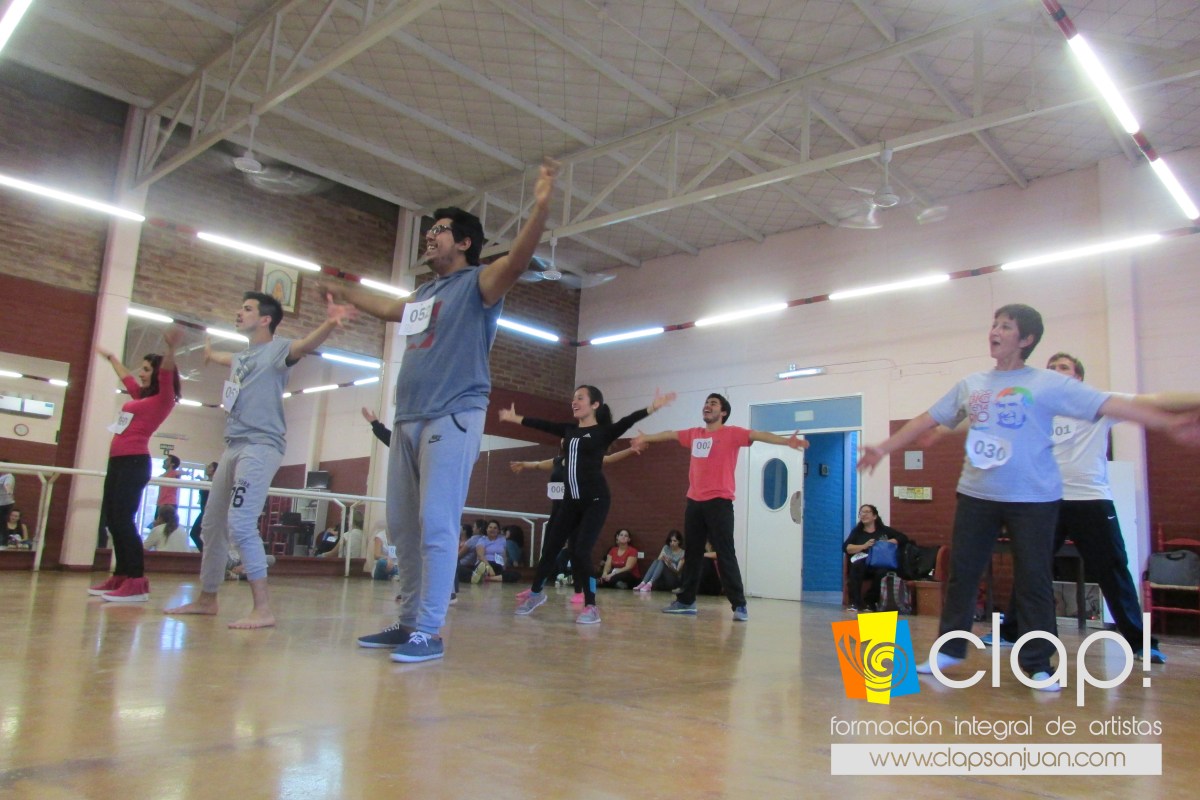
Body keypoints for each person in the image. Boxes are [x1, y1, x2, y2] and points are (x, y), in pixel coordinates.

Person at [858, 304, 1200, 690]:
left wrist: (1168, 423)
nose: (995, 331)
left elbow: (1114, 405)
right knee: (963, 573)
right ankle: (950, 649)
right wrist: (883, 448)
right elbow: (928, 418)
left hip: (1034, 500)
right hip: (977, 495)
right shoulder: (973, 384)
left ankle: (1038, 663)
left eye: (1006, 326)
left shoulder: (1048, 384)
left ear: (1026, 339)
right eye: (994, 324)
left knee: (1034, 579)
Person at [333, 159, 559, 663]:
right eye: (430, 230)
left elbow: (517, 262)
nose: (429, 236)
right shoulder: (422, 294)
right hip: (408, 419)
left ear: (464, 242)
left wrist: (541, 209)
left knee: (437, 524)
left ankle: (430, 631)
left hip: (453, 414)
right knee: (402, 528)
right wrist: (343, 291)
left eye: (439, 230)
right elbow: (387, 309)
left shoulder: (479, 283)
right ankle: (408, 622)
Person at [984, 352, 1193, 664]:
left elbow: (1149, 402)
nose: (1056, 371)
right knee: (1031, 568)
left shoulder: (1098, 403)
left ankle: (1140, 643)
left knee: (1113, 570)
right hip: (1046, 502)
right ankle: (1013, 631)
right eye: (1051, 368)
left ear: (1078, 377)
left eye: (1063, 367)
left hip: (1091, 500)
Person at [164, 290, 353, 628]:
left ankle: (262, 609)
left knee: (240, 522)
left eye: (247, 309)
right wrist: (209, 353)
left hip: (261, 446)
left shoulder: (278, 350)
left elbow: (304, 345)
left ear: (265, 319)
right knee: (211, 524)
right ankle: (208, 598)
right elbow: (227, 358)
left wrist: (329, 323)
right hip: (233, 445)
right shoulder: (242, 357)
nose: (240, 312)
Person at [633, 392, 810, 622]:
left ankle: (739, 605)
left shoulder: (733, 433)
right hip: (694, 503)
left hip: (719, 503)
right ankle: (686, 601)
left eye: (713, 403)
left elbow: (759, 434)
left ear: (723, 412)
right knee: (693, 553)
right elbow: (669, 434)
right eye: (706, 403)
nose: (707, 406)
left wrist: (786, 441)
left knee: (725, 553)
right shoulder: (695, 434)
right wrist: (646, 436)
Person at [507, 385, 675, 624]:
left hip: (596, 501)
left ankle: (591, 606)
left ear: (595, 404)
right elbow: (544, 425)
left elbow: (628, 420)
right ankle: (536, 594)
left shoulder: (603, 432)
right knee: (551, 548)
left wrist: (653, 408)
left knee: (581, 551)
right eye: (573, 398)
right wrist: (517, 419)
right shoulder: (569, 430)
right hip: (570, 502)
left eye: (580, 398)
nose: (574, 402)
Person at [88, 325, 184, 602]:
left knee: (123, 519)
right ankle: (121, 576)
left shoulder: (163, 399)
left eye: (146, 369)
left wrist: (171, 348)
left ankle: (136, 581)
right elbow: (127, 379)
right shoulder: (143, 397)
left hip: (134, 462)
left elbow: (166, 373)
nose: (141, 373)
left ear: (156, 372)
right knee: (112, 519)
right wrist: (110, 357)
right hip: (118, 462)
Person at [511, 442, 643, 604]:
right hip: (557, 514)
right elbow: (538, 464)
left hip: (575, 514)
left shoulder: (584, 460)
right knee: (547, 552)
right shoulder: (557, 461)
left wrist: (631, 450)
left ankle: (579, 591)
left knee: (576, 552)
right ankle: (536, 589)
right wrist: (524, 464)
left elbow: (608, 459)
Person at [842, 504, 908, 612]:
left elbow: (903, 538)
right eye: (861, 512)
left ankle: (870, 601)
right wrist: (864, 546)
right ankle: (855, 602)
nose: (864, 515)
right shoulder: (857, 532)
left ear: (874, 516)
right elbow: (846, 547)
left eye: (867, 512)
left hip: (879, 563)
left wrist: (890, 542)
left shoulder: (884, 530)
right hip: (863, 564)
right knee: (856, 566)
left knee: (883, 572)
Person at [189, 461, 218, 552]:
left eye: (209, 467)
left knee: (195, 533)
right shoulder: (206, 482)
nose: (207, 468)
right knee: (195, 533)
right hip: (204, 511)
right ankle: (206, 552)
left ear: (214, 470)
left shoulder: (216, 483)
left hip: (210, 512)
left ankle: (207, 552)